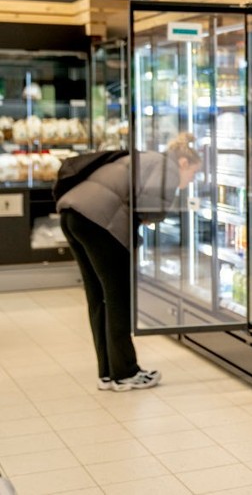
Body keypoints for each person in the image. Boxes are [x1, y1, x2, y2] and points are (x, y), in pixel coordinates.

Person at [57, 132, 201, 391]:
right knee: (118, 296)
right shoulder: (165, 165)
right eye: (193, 173)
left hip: (73, 214)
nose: (191, 180)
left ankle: (108, 372)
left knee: (98, 296)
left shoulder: (146, 158)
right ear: (183, 163)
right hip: (100, 221)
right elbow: (150, 209)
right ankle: (125, 372)